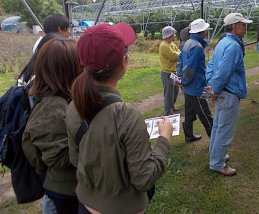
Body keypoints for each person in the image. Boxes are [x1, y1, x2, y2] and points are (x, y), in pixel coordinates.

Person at [65, 23, 173, 214]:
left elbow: (75, 159)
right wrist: (164, 139)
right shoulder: (126, 114)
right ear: (123, 63)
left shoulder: (73, 106)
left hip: (85, 206)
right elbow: (144, 179)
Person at [22, 36, 83, 214]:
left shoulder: (65, 97)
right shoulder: (51, 108)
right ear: (69, 69)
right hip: (65, 192)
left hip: (74, 186)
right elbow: (58, 158)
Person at [204, 13, 252, 176]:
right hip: (229, 93)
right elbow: (224, 72)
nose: (245, 28)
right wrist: (215, 90)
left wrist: (212, 88)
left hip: (222, 91)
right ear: (234, 26)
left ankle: (215, 154)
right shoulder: (233, 46)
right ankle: (217, 163)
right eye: (243, 24)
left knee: (218, 126)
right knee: (225, 129)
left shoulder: (222, 42)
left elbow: (211, 66)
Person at [176, 18, 213, 142]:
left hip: (188, 87)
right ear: (203, 31)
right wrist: (184, 80)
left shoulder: (188, 42)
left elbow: (180, 61)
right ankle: (216, 143)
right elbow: (190, 68)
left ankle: (189, 136)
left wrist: (180, 76)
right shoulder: (197, 46)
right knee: (205, 114)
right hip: (196, 87)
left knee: (189, 111)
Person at [159, 26, 181, 115]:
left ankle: (172, 106)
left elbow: (178, 52)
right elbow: (175, 56)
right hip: (167, 72)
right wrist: (179, 54)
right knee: (169, 93)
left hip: (174, 71)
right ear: (169, 35)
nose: (175, 35)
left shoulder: (172, 44)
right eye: (173, 34)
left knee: (175, 90)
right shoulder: (164, 46)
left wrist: (179, 54)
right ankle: (168, 111)